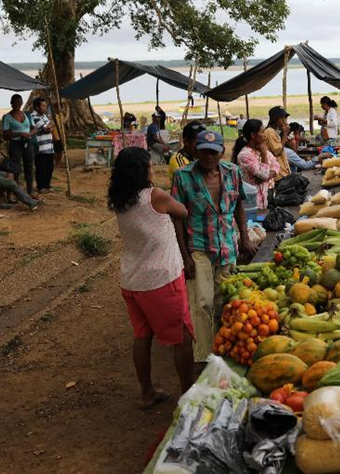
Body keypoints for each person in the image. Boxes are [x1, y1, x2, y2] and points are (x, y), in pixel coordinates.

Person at [109, 147, 195, 407]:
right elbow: (183, 211)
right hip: (161, 279)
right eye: (148, 166)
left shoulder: (120, 198)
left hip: (133, 279)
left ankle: (146, 392)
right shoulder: (155, 196)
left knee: (142, 336)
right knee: (181, 336)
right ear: (141, 170)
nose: (152, 169)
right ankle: (189, 394)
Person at [172, 130, 256, 369]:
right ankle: (204, 358)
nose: (209, 156)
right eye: (204, 151)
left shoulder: (232, 172)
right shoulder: (183, 176)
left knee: (224, 302)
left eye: (214, 152)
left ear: (221, 152)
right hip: (198, 248)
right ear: (195, 151)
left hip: (227, 247)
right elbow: (177, 218)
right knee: (202, 304)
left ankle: (223, 349)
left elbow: (239, 204)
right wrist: (184, 256)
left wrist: (244, 237)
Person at [0, 127, 43, 211]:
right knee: (10, 181)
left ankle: (4, 199)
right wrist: (2, 167)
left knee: (11, 175)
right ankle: (30, 201)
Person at [232, 119, 280, 210]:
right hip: (253, 203)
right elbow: (264, 175)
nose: (265, 136)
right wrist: (264, 154)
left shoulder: (261, 149)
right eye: (262, 132)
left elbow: (276, 166)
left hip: (265, 199)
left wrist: (265, 177)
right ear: (253, 135)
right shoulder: (245, 155)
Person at [2, 94, 38, 198]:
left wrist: (29, 134)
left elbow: (34, 128)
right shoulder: (7, 117)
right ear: (11, 103)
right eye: (15, 102)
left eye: (19, 102)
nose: (17, 104)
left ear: (22, 102)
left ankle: (30, 191)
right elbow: (5, 135)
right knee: (15, 168)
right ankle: (15, 192)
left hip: (27, 142)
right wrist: (19, 134)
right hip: (15, 144)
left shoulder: (27, 114)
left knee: (29, 167)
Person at [30, 97, 55, 193]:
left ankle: (47, 185)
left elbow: (50, 127)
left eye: (45, 106)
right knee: (41, 167)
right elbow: (46, 128)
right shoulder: (33, 117)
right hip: (40, 147)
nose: (45, 108)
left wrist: (49, 127)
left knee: (49, 167)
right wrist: (48, 127)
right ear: (37, 107)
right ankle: (41, 186)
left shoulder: (44, 116)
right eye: (43, 106)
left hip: (49, 146)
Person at [264, 106, 291, 181]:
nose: (284, 121)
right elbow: (278, 151)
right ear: (275, 119)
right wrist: (285, 133)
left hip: (281, 171)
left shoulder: (274, 131)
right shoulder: (269, 132)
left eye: (284, 118)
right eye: (281, 118)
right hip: (278, 174)